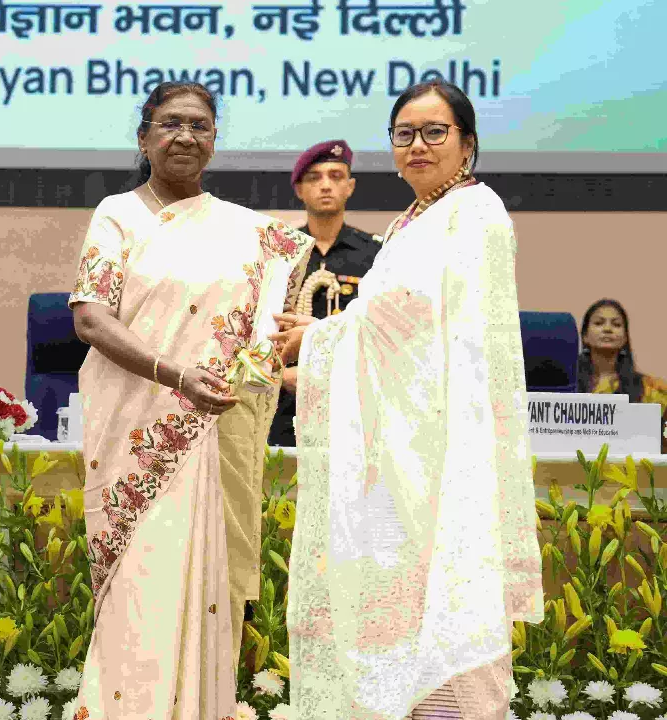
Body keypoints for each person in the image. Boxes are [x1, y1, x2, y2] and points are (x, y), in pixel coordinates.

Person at [274, 80, 543, 719]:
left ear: (468, 144)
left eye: (434, 132)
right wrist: (323, 346)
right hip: (394, 458)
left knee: (441, 621)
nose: (417, 146)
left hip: (439, 459)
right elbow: (386, 324)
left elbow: (412, 326)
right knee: (392, 623)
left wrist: (317, 340)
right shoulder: (414, 219)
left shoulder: (477, 213)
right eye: (403, 134)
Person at [67, 81, 313, 720]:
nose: (185, 136)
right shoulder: (119, 213)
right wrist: (177, 376)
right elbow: (91, 320)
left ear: (214, 140)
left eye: (200, 125)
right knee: (142, 591)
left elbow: (264, 335)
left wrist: (278, 349)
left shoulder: (248, 232)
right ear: (144, 136)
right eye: (171, 124)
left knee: (207, 589)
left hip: (217, 430)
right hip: (137, 436)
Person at [267, 139, 382, 448]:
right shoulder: (280, 254)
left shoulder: (377, 255)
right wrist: (282, 377)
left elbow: (381, 330)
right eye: (314, 177)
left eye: (336, 176)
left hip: (354, 400)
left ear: (350, 186)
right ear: (299, 189)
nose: (326, 185)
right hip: (285, 401)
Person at [578, 299, 667, 452]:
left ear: (625, 338)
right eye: (599, 323)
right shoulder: (567, 384)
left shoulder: (651, 388)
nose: (608, 329)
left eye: (616, 324)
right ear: (585, 336)